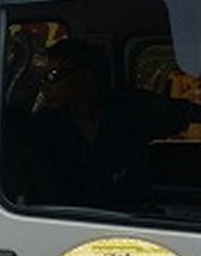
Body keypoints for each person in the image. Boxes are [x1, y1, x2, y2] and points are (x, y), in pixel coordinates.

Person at [24, 38, 198, 209]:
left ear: (85, 76)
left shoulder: (130, 106)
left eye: (53, 76)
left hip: (136, 217)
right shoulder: (43, 127)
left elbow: (186, 112)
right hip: (74, 221)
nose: (44, 86)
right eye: (42, 78)